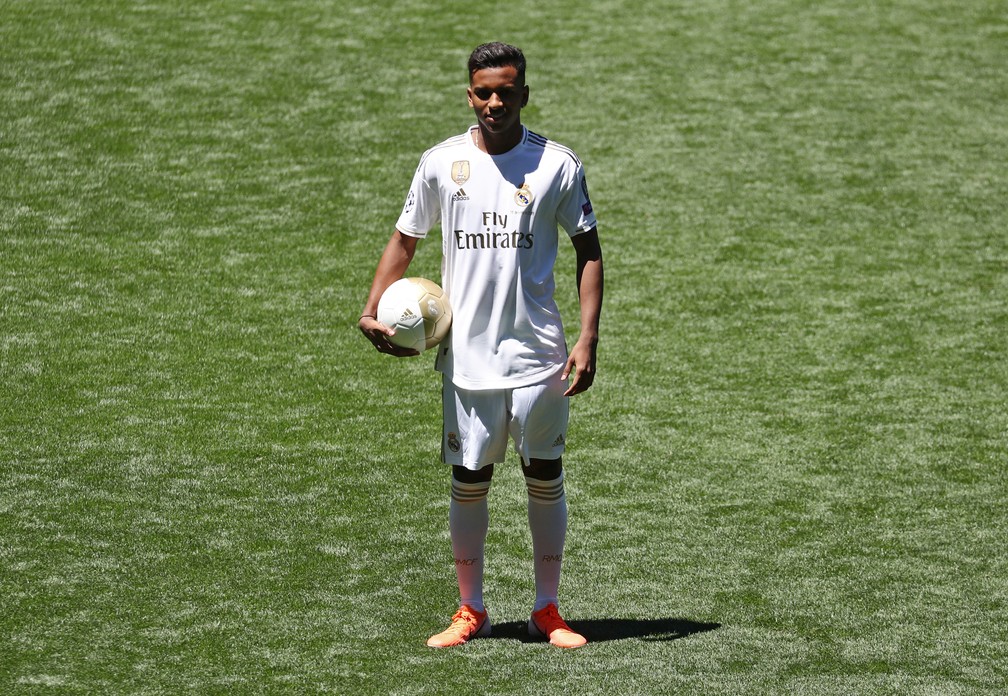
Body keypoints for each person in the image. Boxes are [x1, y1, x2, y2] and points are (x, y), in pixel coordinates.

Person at [359, 42, 603, 649]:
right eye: (484, 91)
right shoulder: (440, 163)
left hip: (539, 354)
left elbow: (588, 249)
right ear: (470, 94)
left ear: (525, 93)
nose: (495, 101)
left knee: (543, 473)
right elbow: (404, 242)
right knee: (470, 479)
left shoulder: (558, 165)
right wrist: (370, 309)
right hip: (466, 358)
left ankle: (547, 609)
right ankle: (471, 610)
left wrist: (588, 336)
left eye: (507, 90)